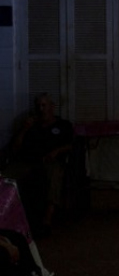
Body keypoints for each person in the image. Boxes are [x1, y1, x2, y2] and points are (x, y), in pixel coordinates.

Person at [4, 93, 74, 238]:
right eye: (38, 106)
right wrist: (24, 129)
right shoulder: (31, 127)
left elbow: (73, 145)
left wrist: (57, 151)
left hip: (50, 162)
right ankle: (5, 217)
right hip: (28, 162)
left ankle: (46, 221)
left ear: (52, 107)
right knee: (6, 176)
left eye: (44, 105)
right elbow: (15, 148)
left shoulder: (62, 125)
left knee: (54, 175)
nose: (41, 109)